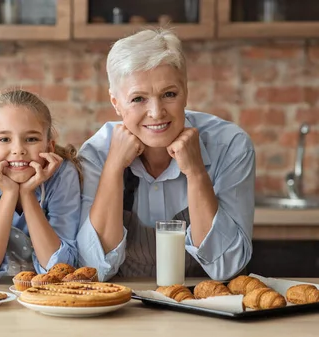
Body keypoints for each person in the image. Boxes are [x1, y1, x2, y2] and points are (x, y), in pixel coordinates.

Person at [77, 29, 255, 282]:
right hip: (124, 310)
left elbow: (228, 267)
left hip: (208, 309)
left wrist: (196, 173)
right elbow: (93, 269)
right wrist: (114, 168)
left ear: (186, 91)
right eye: (138, 98)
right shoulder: (96, 154)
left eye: (169, 94)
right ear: (116, 103)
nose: (156, 112)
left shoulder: (230, 146)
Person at [0, 90, 82, 283]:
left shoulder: (63, 174)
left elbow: (58, 269)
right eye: (4, 139)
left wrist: (27, 194)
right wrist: (10, 192)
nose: (18, 150)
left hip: (48, 297)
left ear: (49, 147)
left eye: (31, 139)